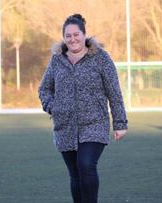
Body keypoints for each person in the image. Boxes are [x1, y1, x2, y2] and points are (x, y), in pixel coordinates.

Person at [38, 14, 128, 203]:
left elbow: (114, 91)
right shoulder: (57, 60)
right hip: (65, 126)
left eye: (76, 34)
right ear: (64, 38)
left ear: (85, 35)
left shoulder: (101, 58)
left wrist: (120, 122)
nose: (73, 39)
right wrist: (52, 106)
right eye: (68, 35)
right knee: (75, 173)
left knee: (86, 165)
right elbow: (44, 88)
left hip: (94, 123)